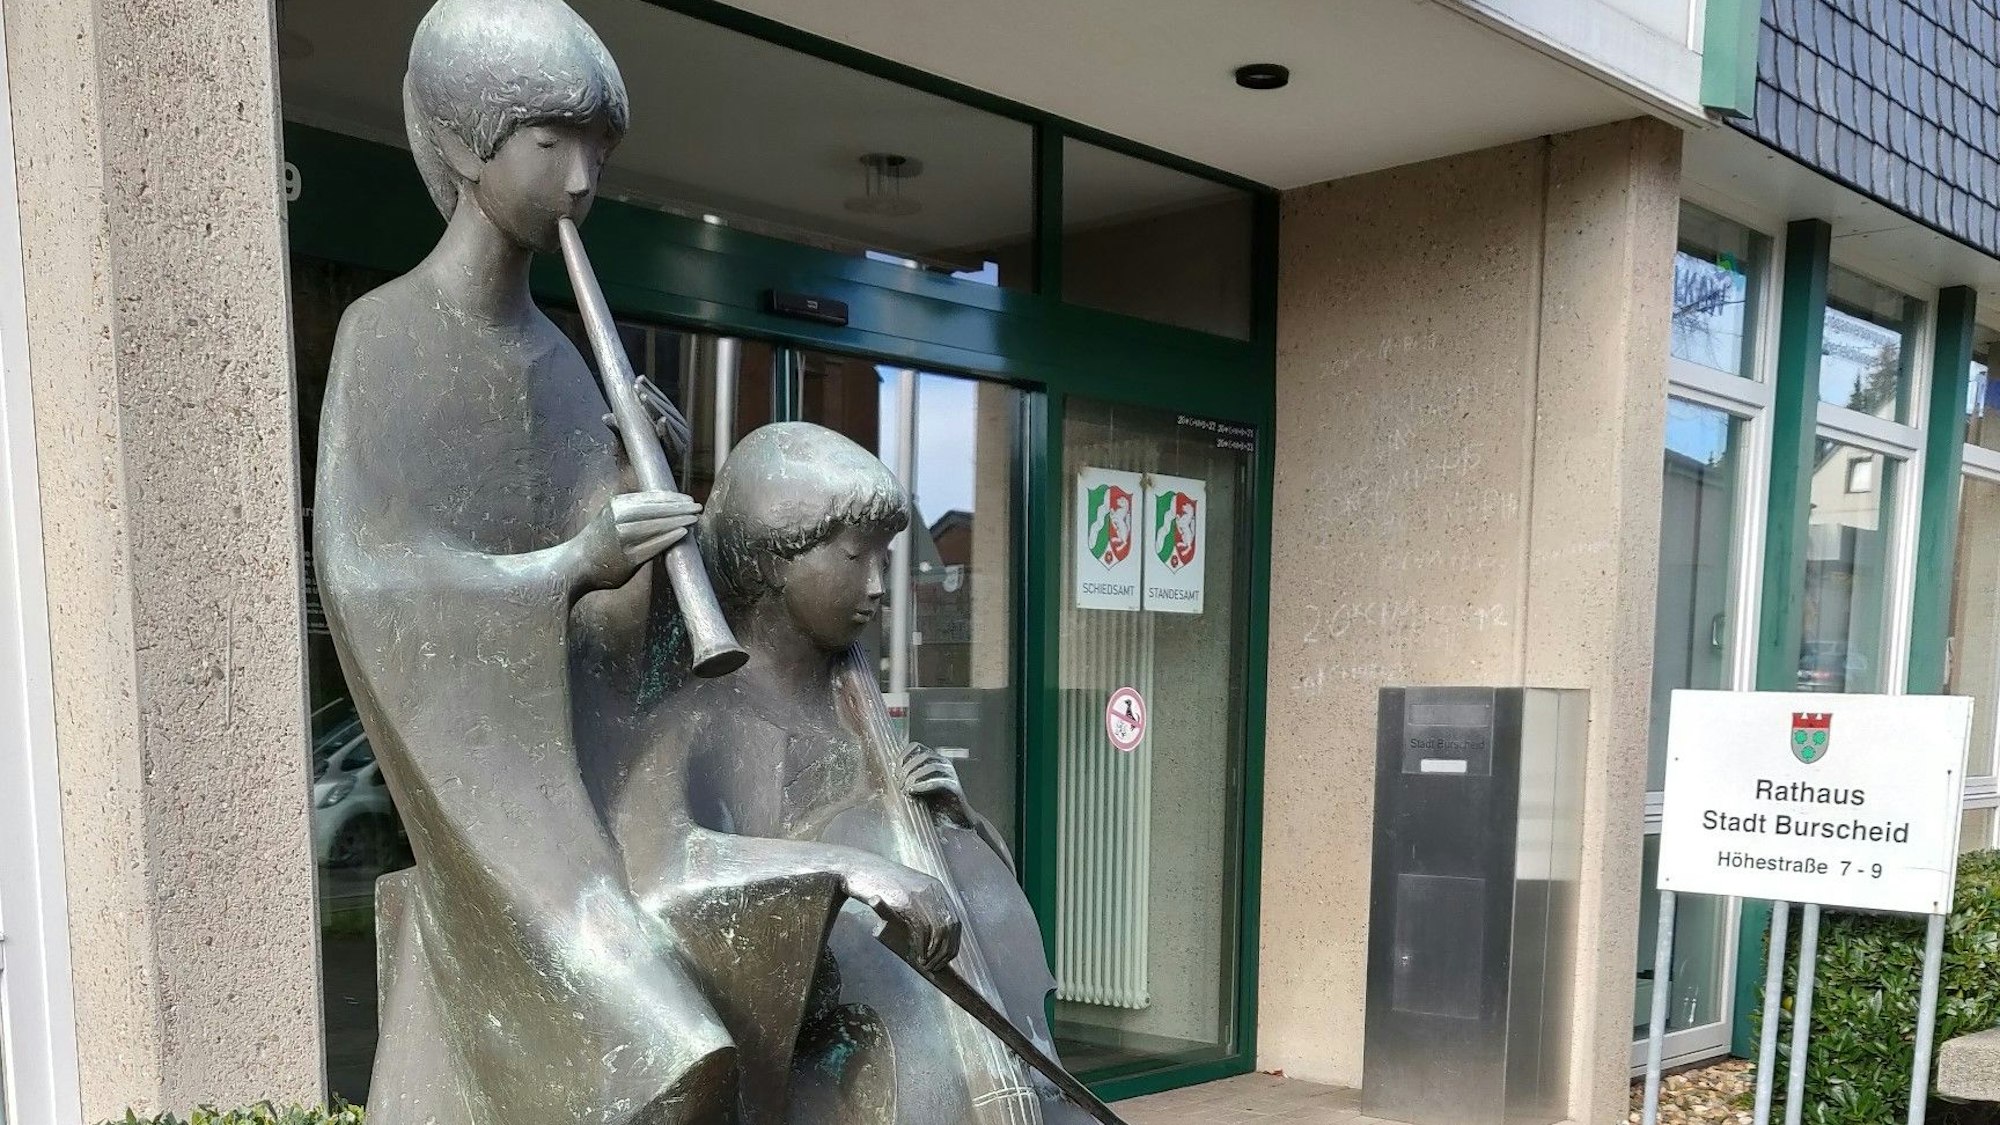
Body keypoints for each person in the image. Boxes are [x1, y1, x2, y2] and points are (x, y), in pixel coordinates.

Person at [613, 422, 1090, 1123]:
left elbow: (994, 917)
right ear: (778, 559)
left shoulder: (858, 707)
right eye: (855, 556)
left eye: (885, 558)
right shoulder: (703, 716)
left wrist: (957, 818)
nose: (878, 585)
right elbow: (657, 865)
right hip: (811, 1065)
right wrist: (847, 868)